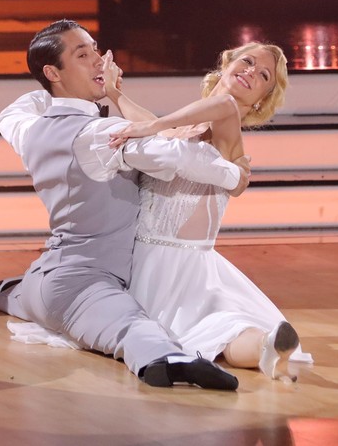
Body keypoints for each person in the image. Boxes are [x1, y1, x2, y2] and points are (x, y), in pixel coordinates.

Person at [0, 19, 252, 391]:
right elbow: (174, 156)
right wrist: (233, 176)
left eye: (96, 50)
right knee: (129, 326)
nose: (100, 61)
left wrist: (62, 91)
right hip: (85, 284)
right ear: (52, 71)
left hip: (43, 279)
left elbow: (12, 111)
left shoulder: (29, 128)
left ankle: (5, 293)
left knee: (28, 296)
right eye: (83, 55)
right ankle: (173, 360)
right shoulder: (100, 135)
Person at [103, 41, 312, 380]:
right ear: (225, 65)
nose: (250, 73)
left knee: (215, 327)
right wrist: (115, 95)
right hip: (144, 259)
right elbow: (160, 126)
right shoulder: (187, 126)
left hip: (183, 265)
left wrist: (150, 128)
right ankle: (265, 349)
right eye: (246, 62)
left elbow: (199, 113)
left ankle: (265, 344)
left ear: (261, 98)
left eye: (263, 76)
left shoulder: (228, 121)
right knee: (209, 333)